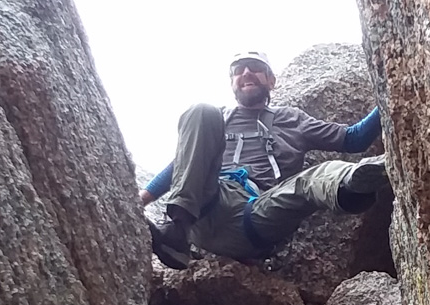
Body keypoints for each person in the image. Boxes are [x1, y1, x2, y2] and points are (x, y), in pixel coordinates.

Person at [140, 51, 389, 269]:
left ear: (271, 80)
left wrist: (391, 93)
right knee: (201, 110)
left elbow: (353, 139)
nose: (247, 73)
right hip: (208, 204)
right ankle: (176, 232)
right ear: (232, 82)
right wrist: (141, 200)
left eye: (256, 68)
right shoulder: (216, 120)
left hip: (258, 212)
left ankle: (357, 183)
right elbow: (182, 165)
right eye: (239, 69)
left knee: (312, 179)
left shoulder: (292, 120)